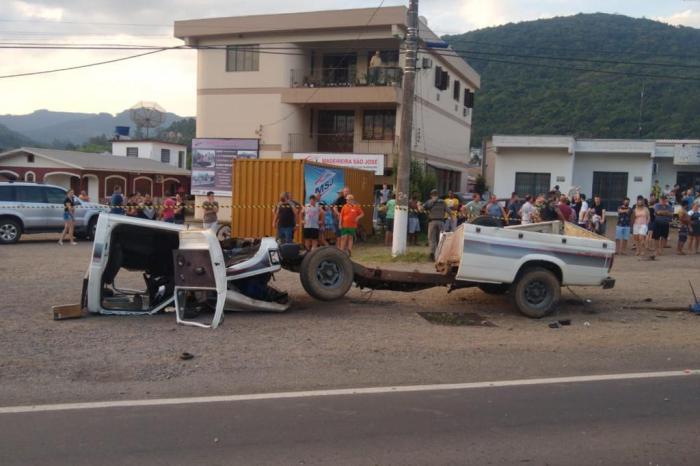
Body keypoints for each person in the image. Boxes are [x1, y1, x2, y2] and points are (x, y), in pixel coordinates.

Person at [423, 189, 447, 260]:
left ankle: (432, 255)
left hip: (432, 222)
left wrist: (419, 205)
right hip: (441, 222)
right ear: (438, 195)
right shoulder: (443, 202)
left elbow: (422, 208)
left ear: (431, 195)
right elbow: (448, 210)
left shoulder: (429, 202)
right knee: (441, 239)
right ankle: (440, 255)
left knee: (431, 238)